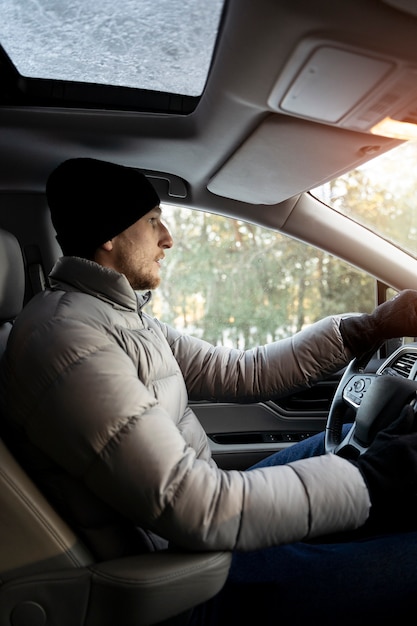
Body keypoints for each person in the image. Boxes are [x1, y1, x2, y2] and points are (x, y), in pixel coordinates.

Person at [1, 157, 417, 625]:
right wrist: (378, 480)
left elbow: (242, 372)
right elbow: (192, 503)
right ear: (109, 234)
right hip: (188, 576)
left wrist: (372, 327)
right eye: (153, 221)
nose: (168, 238)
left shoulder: (118, 316)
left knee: (343, 444)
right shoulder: (67, 339)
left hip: (198, 534)